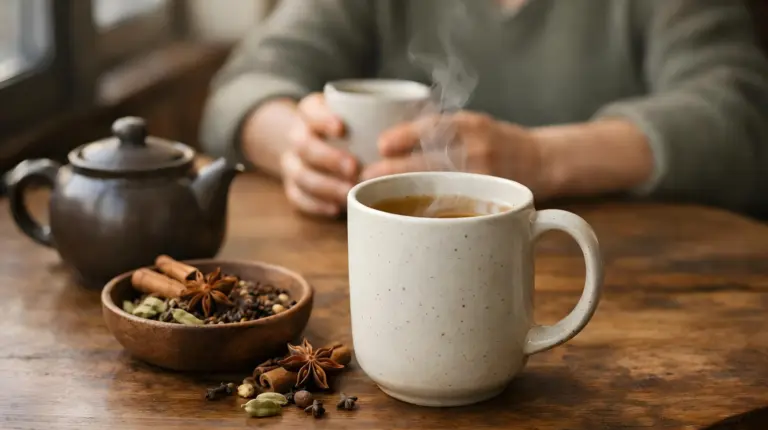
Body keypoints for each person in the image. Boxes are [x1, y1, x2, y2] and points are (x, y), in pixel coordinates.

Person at [200, 0, 768, 218]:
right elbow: (244, 84)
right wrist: (294, 143)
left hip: (630, 294)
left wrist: (541, 160)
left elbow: (741, 117)